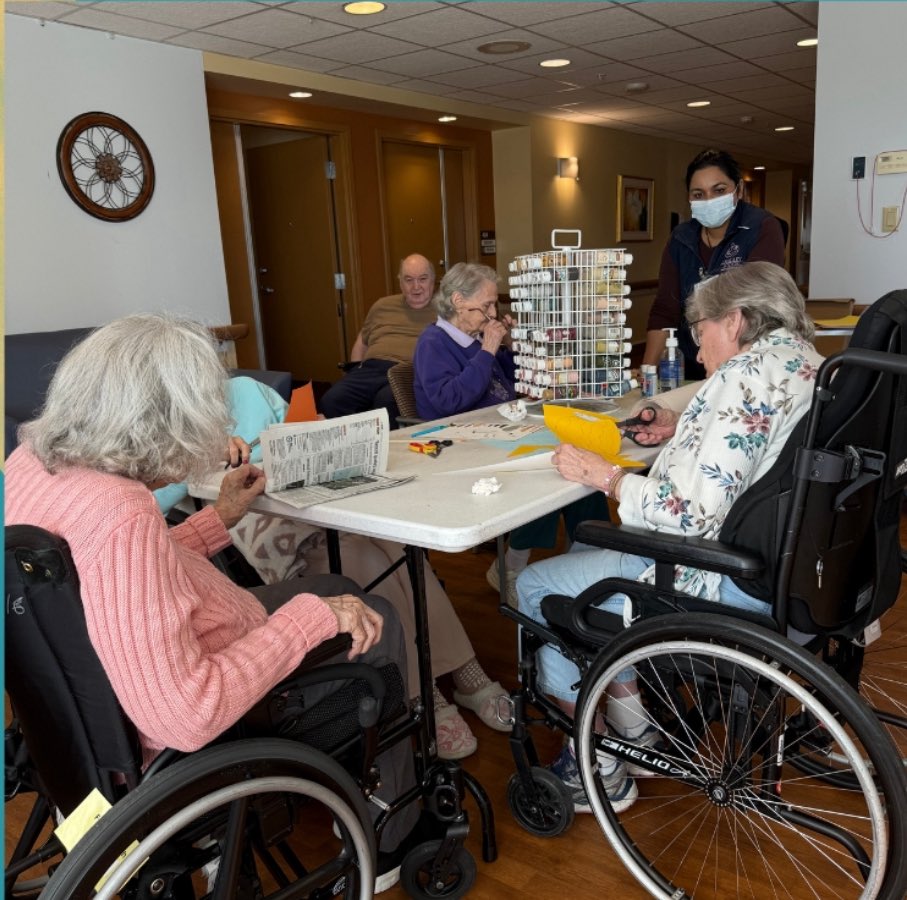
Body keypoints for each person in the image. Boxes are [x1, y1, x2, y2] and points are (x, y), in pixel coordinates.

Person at [4, 313, 424, 890]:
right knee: (378, 619)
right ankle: (392, 827)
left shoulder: (28, 464)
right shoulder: (118, 509)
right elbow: (188, 713)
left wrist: (218, 519)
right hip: (217, 717)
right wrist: (309, 622)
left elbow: (109, 585)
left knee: (343, 591)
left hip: (81, 717)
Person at [517, 262, 822, 814]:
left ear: (733, 322)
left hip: (716, 576)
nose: (699, 352)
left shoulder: (745, 375)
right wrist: (684, 428)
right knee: (585, 552)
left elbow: (685, 512)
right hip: (786, 569)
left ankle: (596, 766)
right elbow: (752, 452)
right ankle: (635, 733)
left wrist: (603, 476)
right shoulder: (806, 363)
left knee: (535, 585)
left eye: (700, 332)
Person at [159, 375, 512, 760]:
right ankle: (420, 691)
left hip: (310, 490)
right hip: (248, 511)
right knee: (361, 559)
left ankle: (463, 668)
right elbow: (154, 502)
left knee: (396, 544)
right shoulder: (167, 421)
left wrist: (321, 432)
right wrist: (197, 457)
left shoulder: (245, 388)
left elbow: (301, 426)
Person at [412, 262, 611, 605]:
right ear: (458, 301)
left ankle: (587, 554)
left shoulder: (473, 338)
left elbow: (506, 380)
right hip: (462, 440)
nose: (492, 313)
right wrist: (488, 349)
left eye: (494, 305)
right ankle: (510, 568)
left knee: (579, 459)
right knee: (551, 468)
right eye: (486, 306)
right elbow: (449, 401)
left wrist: (515, 348)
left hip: (504, 428)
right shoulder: (434, 342)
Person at [642, 148, 787, 381]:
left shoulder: (761, 228)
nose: (709, 200)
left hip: (743, 364)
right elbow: (664, 310)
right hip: (689, 361)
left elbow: (759, 307)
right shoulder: (681, 238)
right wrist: (647, 370)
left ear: (738, 189)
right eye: (698, 194)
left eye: (719, 190)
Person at [320, 254, 436, 422]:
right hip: (372, 369)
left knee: (385, 402)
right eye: (408, 280)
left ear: (433, 280)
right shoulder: (382, 305)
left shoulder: (445, 310)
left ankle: (381, 447)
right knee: (331, 400)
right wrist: (353, 371)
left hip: (408, 371)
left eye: (423, 279)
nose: (416, 287)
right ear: (400, 283)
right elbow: (362, 342)